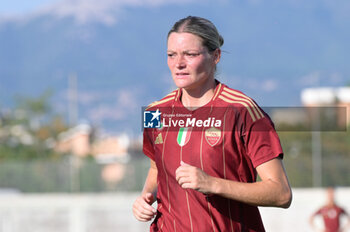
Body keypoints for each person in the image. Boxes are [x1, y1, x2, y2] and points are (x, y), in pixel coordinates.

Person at [133, 16, 292, 231]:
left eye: (190, 54)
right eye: (171, 55)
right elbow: (157, 168)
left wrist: (212, 183)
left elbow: (281, 193)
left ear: (215, 56)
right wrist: (146, 197)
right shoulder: (155, 112)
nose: (179, 63)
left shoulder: (242, 111)